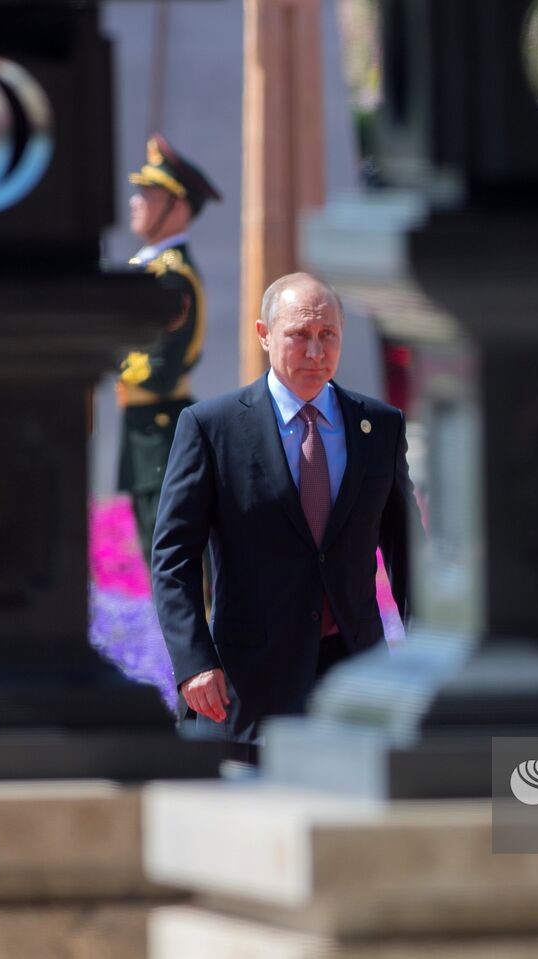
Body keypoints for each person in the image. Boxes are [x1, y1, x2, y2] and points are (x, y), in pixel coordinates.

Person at [151, 273, 415, 753]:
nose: (316, 351)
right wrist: (193, 662)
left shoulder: (380, 427)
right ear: (264, 334)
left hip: (355, 673)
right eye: (299, 335)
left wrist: (424, 657)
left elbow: (408, 554)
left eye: (327, 335)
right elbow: (174, 558)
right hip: (247, 684)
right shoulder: (213, 427)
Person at [117, 133, 222, 566]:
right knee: (156, 560)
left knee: (177, 568)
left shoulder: (171, 278)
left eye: (149, 193)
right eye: (138, 191)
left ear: (177, 208)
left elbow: (159, 369)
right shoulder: (148, 269)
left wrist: (100, 353)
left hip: (162, 428)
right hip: (144, 427)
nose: (135, 201)